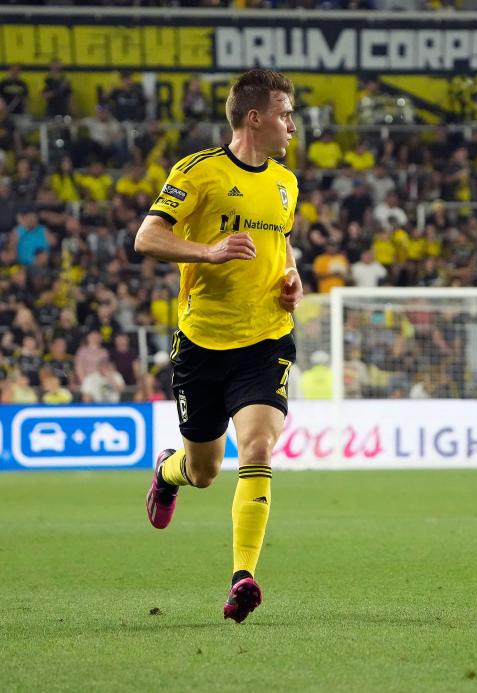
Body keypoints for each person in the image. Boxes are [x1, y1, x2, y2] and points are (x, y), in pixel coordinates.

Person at [135, 68, 301, 623]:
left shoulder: (286, 182)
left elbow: (282, 244)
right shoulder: (198, 171)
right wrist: (206, 252)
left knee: (257, 447)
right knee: (204, 470)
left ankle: (243, 577)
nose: (292, 126)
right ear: (254, 118)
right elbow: (147, 237)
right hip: (203, 342)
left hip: (266, 339)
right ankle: (167, 472)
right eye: (284, 114)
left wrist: (291, 276)